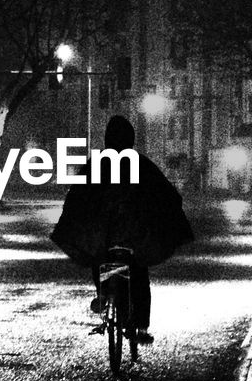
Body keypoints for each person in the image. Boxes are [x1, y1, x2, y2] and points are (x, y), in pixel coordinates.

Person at [51, 114, 193, 344]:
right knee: (139, 274)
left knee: (98, 258)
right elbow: (167, 195)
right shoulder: (141, 164)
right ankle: (142, 327)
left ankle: (103, 295)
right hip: (133, 237)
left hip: (104, 236)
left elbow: (77, 197)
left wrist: (74, 223)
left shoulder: (97, 164)